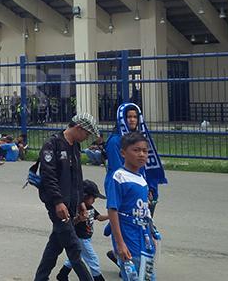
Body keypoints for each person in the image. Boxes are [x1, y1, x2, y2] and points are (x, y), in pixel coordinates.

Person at [33, 113, 100, 281]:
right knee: (74, 248)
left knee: (55, 245)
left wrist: (81, 202)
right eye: (87, 134)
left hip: (71, 203)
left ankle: (40, 278)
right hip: (57, 204)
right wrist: (57, 202)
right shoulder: (52, 144)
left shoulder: (75, 146)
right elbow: (48, 177)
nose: (87, 138)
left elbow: (77, 177)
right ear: (78, 128)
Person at [107, 132, 159, 281]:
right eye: (136, 150)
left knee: (148, 276)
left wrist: (151, 232)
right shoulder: (119, 177)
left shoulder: (141, 178)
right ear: (123, 153)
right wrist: (120, 244)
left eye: (145, 151)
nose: (141, 154)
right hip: (128, 237)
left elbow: (145, 211)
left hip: (144, 239)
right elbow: (112, 210)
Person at [105, 103, 166, 215]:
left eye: (135, 117)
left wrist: (150, 187)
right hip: (124, 188)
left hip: (142, 186)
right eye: (129, 117)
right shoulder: (115, 141)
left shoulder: (141, 138)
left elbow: (147, 165)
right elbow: (117, 171)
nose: (132, 120)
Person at [56, 180, 109, 281]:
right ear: (84, 196)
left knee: (75, 257)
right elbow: (71, 222)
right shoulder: (78, 208)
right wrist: (79, 218)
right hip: (81, 238)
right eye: (93, 198)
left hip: (87, 238)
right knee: (93, 259)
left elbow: (99, 217)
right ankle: (98, 278)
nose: (94, 200)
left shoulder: (91, 208)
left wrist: (111, 216)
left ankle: (62, 274)